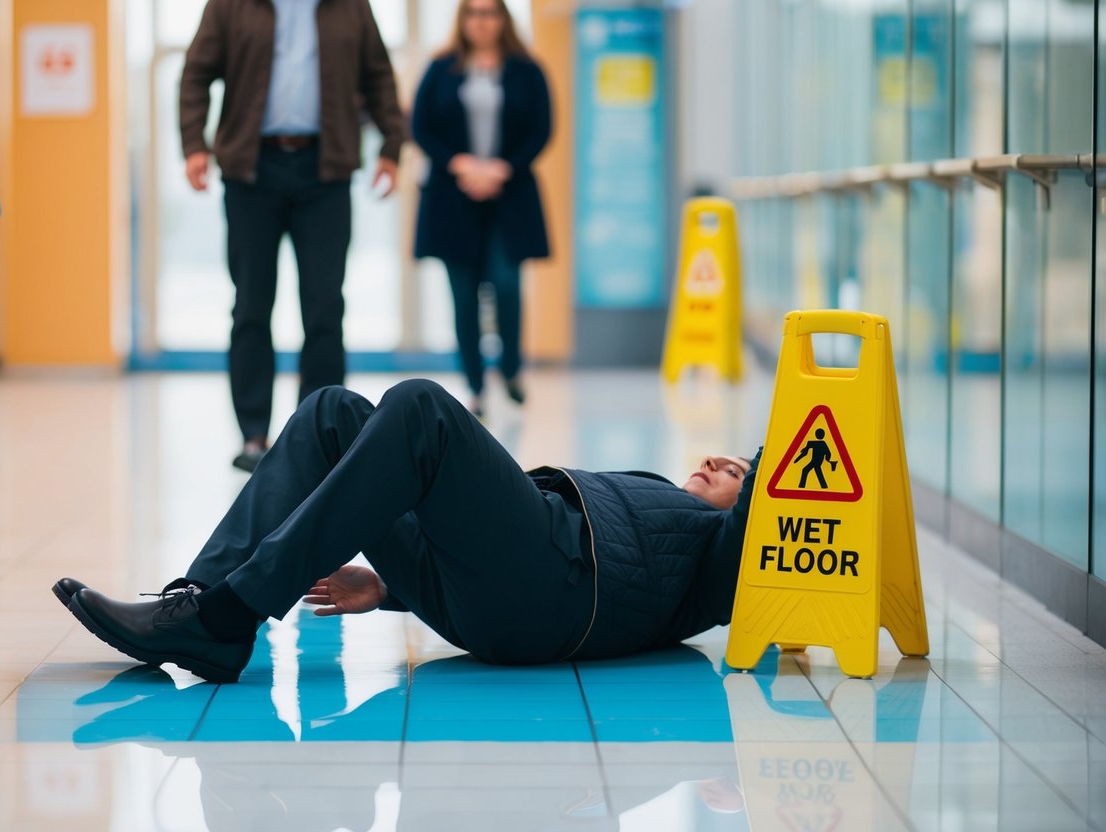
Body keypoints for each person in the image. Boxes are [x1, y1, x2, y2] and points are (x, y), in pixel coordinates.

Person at [53, 378, 758, 683]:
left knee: (421, 408)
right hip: (494, 587)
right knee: (332, 413)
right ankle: (203, 605)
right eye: (716, 456)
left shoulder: (715, 561)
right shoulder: (664, 502)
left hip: (556, 588)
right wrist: (391, 586)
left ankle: (228, 613)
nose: (711, 462)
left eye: (731, 469)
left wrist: (765, 466)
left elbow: (774, 495)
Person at [179, 0, 406, 472]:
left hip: (325, 172)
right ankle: (253, 435)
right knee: (251, 305)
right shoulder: (230, 5)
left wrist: (391, 145)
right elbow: (197, 73)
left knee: (324, 305)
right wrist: (194, 144)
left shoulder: (351, 7)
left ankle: (317, 433)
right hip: (250, 171)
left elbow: (378, 75)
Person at [411, 0, 551, 418]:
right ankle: (474, 386)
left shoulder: (527, 69)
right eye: (474, 12)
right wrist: (463, 164)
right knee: (463, 296)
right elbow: (420, 126)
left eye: (490, 13)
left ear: (503, 19)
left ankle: (509, 368)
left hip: (509, 194)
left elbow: (542, 128)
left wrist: (501, 168)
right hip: (453, 198)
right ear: (463, 19)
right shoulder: (441, 69)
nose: (482, 21)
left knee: (506, 284)